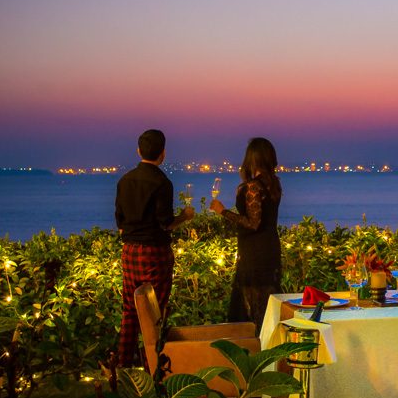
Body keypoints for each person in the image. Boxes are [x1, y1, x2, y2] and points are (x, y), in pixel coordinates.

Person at [114, 129, 194, 367]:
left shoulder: (124, 181)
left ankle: (123, 367)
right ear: (163, 154)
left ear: (139, 151)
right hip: (154, 252)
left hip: (129, 251)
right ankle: (153, 366)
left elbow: (119, 220)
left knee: (129, 310)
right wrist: (185, 216)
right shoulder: (162, 182)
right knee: (155, 311)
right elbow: (166, 223)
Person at [209, 137, 283, 325]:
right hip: (270, 249)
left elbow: (253, 223)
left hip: (255, 253)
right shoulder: (273, 184)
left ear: (252, 159)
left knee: (252, 309)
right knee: (267, 305)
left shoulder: (253, 186)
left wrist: (222, 211)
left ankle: (254, 347)